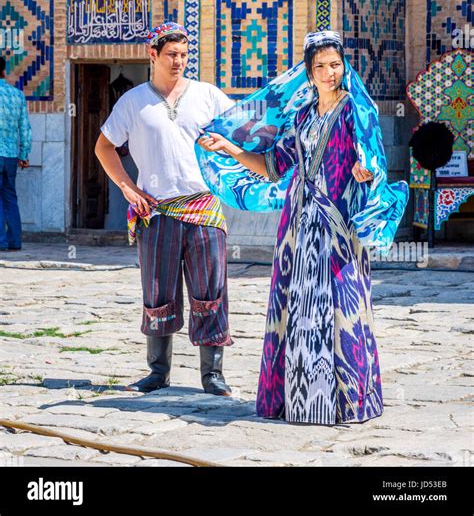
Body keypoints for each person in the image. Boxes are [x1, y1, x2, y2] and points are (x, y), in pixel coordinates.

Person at [197, 30, 408, 424]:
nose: (329, 73)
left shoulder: (355, 109)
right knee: (297, 308)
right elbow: (274, 167)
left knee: (342, 308)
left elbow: (371, 155)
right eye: (320, 67)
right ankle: (299, 400)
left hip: (338, 225)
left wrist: (367, 172)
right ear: (308, 74)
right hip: (297, 225)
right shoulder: (302, 116)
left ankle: (346, 402)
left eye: (335, 65)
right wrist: (229, 149)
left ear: (344, 66)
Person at [95, 23, 235, 396]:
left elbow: (243, 131)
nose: (179, 62)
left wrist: (229, 152)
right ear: (152, 54)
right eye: (172, 54)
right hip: (156, 211)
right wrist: (128, 187)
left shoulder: (208, 96)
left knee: (211, 290)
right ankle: (158, 372)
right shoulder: (133, 102)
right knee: (157, 292)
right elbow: (104, 147)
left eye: (185, 55)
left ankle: (213, 374)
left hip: (204, 208)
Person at [0, 56, 32, 252]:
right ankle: (15, 241)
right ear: (4, 71)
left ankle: (1, 241)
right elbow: (25, 128)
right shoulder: (16, 95)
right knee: (10, 197)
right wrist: (24, 154)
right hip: (11, 156)